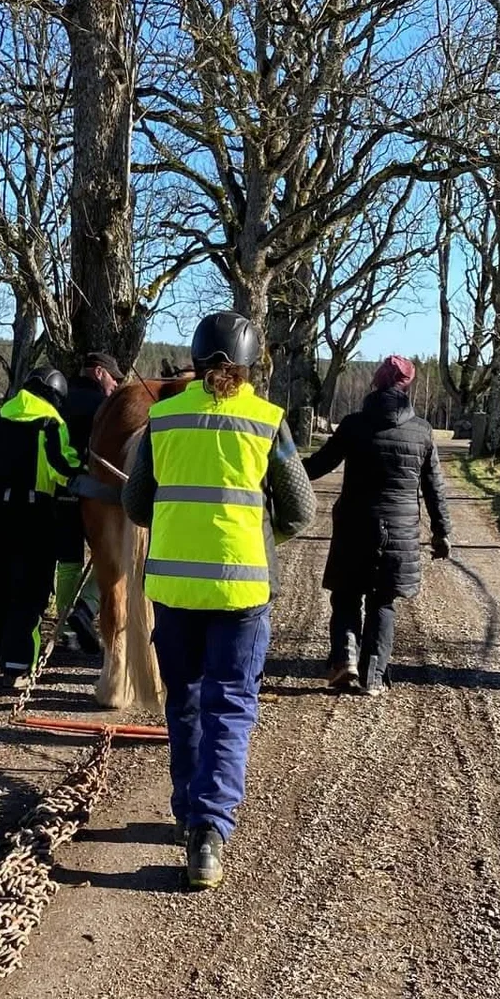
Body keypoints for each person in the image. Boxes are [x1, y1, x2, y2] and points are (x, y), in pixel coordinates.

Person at [123, 312, 315, 890]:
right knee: (229, 705)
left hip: (175, 590)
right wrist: (260, 540)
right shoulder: (268, 421)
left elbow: (135, 505)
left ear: (197, 359)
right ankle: (209, 833)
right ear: (252, 363)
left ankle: (186, 810)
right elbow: (301, 510)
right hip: (243, 592)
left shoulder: (162, 418)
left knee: (182, 699)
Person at [303, 354, 451, 697]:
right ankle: (372, 676)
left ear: (375, 382)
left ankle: (344, 660)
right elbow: (434, 488)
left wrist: (275, 472)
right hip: (400, 533)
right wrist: (441, 532)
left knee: (346, 596)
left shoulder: (354, 425)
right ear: (407, 385)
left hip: (355, 526)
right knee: (383, 603)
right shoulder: (422, 431)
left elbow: (319, 465)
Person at [0, 368, 80, 689]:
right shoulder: (50, 425)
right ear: (55, 397)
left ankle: (0, 651)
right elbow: (63, 468)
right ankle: (16, 667)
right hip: (34, 516)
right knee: (29, 591)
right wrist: (85, 472)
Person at [54, 353, 124, 654]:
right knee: (113, 555)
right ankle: (87, 606)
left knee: (69, 562)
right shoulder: (105, 409)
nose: (117, 384)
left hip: (57, 491)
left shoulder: (59, 398)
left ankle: (65, 631)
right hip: (95, 493)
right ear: (99, 372)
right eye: (114, 378)